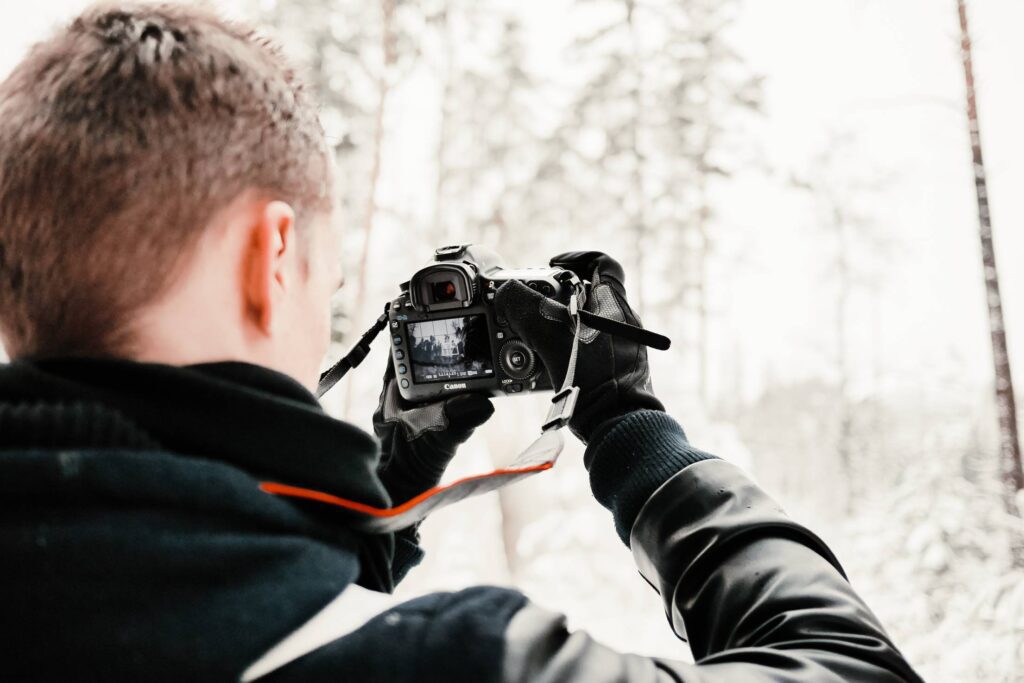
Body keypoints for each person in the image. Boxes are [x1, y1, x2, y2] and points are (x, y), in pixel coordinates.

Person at [0, 3, 924, 681]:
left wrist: (388, 489)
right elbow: (852, 666)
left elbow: (188, 597)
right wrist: (634, 429)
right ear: (271, 254)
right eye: (325, 285)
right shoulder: (460, 666)